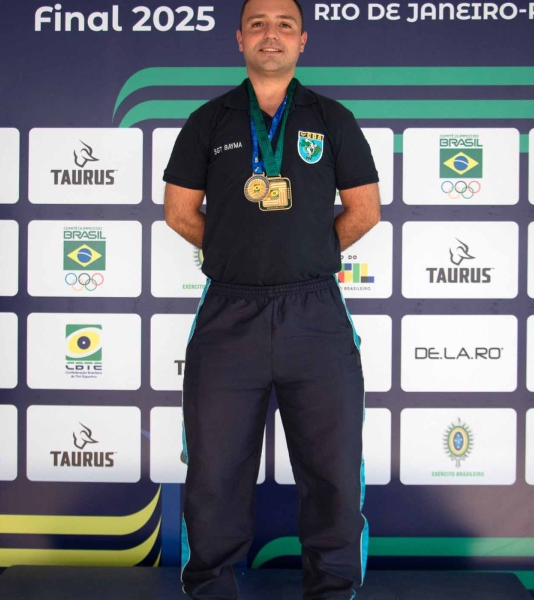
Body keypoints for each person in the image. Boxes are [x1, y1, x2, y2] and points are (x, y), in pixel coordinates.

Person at [163, 0, 381, 597]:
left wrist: (306, 251)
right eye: (257, 23)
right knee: (213, 474)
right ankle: (210, 590)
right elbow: (179, 212)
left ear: (302, 40)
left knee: (333, 472)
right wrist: (236, 249)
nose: (271, 34)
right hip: (228, 313)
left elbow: (364, 211)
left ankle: (333, 592)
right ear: (239, 38)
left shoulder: (332, 118)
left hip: (315, 314)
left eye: (285, 24)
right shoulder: (209, 119)